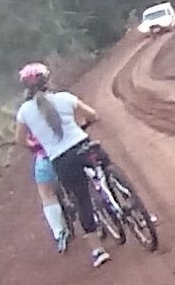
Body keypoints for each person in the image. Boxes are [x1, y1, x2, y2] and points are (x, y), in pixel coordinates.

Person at [15, 63, 114, 267]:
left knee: (82, 200)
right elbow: (93, 115)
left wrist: (35, 145)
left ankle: (98, 250)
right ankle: (129, 206)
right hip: (84, 146)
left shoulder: (24, 112)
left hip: (61, 160)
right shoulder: (64, 98)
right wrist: (83, 126)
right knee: (106, 170)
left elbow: (20, 140)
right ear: (48, 81)